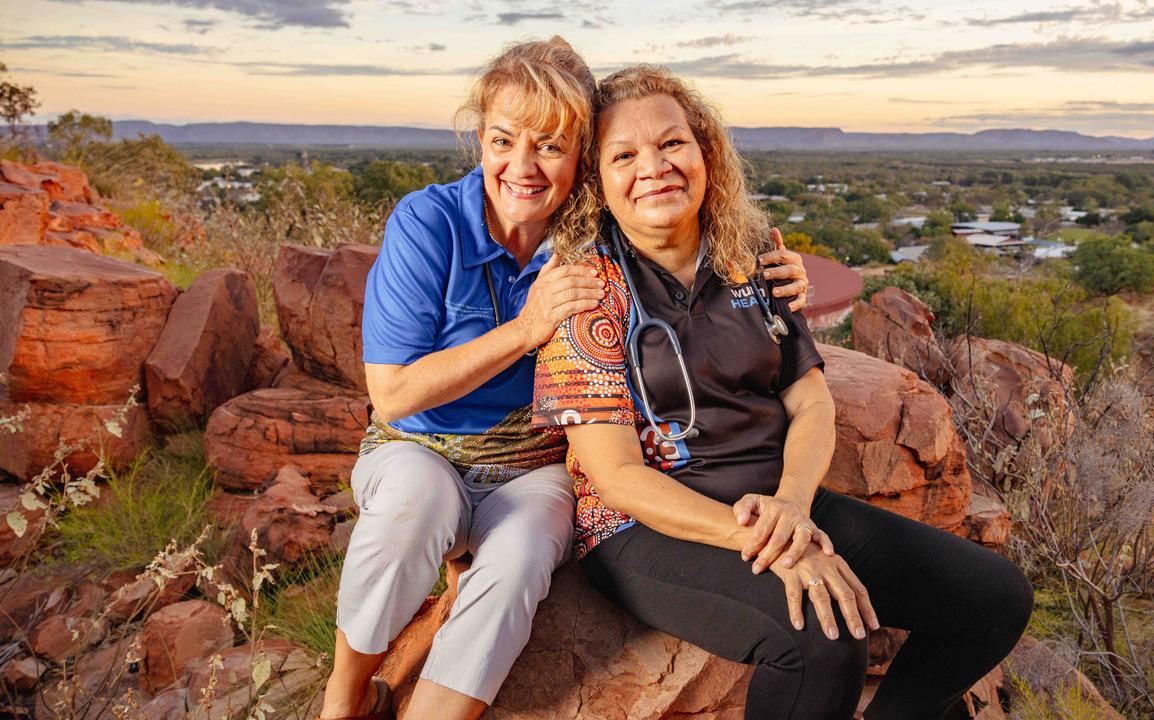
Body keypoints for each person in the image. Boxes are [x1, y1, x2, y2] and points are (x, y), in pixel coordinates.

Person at [320, 41, 813, 720]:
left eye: (550, 146)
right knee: (415, 505)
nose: (521, 168)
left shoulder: (594, 236)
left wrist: (769, 271)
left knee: (521, 558)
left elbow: (686, 237)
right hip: (420, 446)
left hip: (536, 466)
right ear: (480, 138)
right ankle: (346, 698)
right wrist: (524, 330)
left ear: (580, 156)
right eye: (501, 140)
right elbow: (395, 395)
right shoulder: (429, 223)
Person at [533, 65, 1034, 720]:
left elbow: (810, 400)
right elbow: (618, 476)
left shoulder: (751, 257)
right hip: (646, 526)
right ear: (598, 181)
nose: (654, 166)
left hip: (781, 502)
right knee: (821, 640)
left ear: (704, 150)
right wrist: (764, 543)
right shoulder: (585, 291)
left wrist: (793, 507)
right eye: (623, 155)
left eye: (672, 143)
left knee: (993, 598)